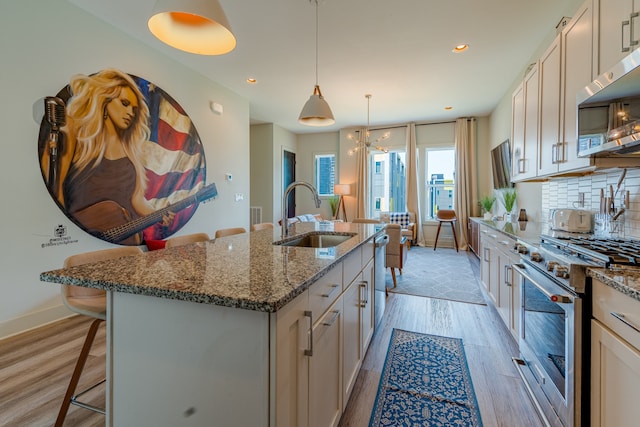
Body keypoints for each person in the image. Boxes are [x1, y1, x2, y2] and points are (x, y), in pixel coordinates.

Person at [40, 68, 173, 245]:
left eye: (134, 109)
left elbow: (136, 200)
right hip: (86, 239)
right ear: (105, 99)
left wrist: (158, 213)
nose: (131, 113)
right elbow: (56, 192)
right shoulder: (74, 132)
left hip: (129, 240)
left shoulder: (131, 149)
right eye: (124, 103)